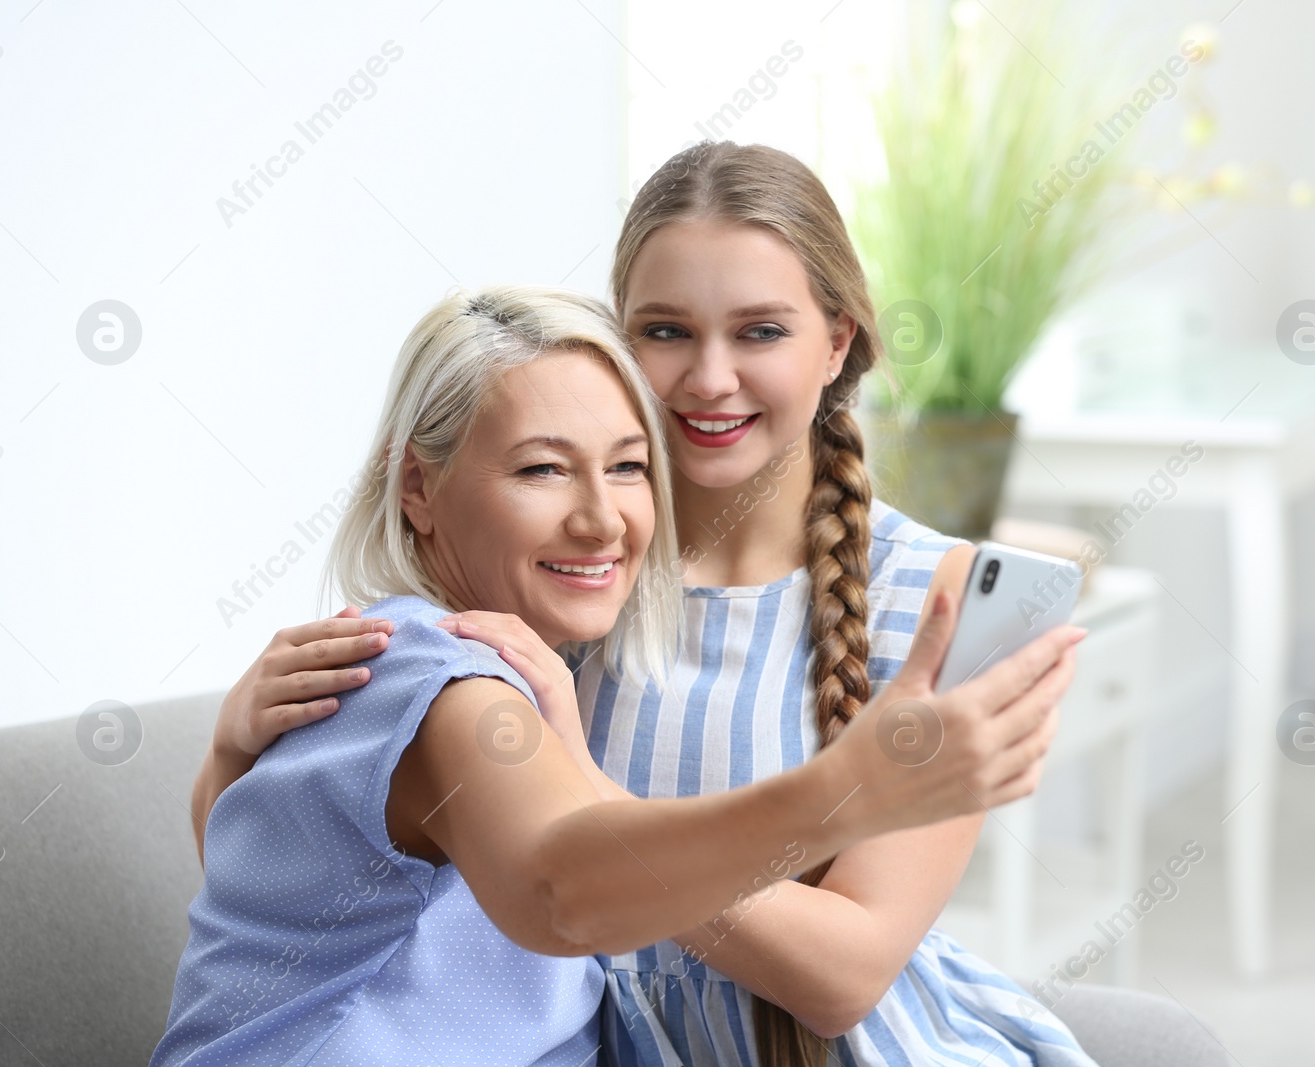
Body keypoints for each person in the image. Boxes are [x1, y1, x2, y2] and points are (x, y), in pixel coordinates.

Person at [190, 145, 1097, 1066]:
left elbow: (842, 978)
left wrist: (589, 786)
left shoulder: (934, 599)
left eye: (760, 332)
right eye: (664, 332)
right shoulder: (565, 580)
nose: (708, 377)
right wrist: (237, 742)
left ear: (838, 342)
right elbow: (315, 877)